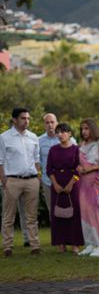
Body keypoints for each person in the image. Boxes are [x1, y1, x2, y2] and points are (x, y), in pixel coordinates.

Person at [0, 108, 42, 256]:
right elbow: (1, 162)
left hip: (31, 180)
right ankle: (7, 247)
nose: (27, 121)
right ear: (15, 120)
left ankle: (35, 245)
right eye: (23, 118)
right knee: (8, 216)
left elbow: (37, 160)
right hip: (12, 181)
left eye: (28, 118)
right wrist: (4, 181)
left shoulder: (33, 137)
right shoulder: (4, 137)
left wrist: (38, 177)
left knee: (31, 216)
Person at [46, 123, 84, 253]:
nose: (60, 134)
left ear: (70, 134)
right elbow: (49, 169)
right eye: (58, 132)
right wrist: (55, 184)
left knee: (75, 213)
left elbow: (79, 170)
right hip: (56, 184)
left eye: (63, 132)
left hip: (73, 184)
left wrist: (71, 184)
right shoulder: (53, 150)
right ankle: (60, 243)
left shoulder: (76, 149)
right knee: (58, 213)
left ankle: (75, 243)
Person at [77, 118, 99, 257]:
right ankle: (90, 243)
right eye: (82, 129)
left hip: (95, 182)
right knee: (85, 213)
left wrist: (91, 168)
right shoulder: (80, 145)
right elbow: (78, 164)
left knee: (96, 212)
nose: (84, 131)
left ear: (92, 129)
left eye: (87, 128)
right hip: (82, 183)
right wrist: (79, 168)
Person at [39, 113, 76, 218]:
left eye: (52, 122)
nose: (50, 125)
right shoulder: (39, 141)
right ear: (44, 125)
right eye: (47, 122)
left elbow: (77, 162)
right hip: (48, 182)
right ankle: (56, 234)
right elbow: (38, 161)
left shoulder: (70, 141)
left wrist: (72, 181)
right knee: (53, 212)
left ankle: (70, 234)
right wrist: (40, 177)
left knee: (71, 210)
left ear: (57, 123)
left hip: (69, 182)